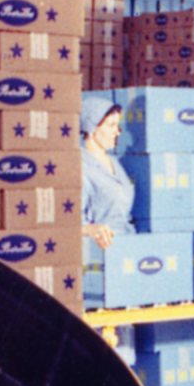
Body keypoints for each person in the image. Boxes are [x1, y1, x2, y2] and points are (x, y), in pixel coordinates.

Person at [82, 102, 135, 264]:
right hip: (101, 252)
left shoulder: (114, 161)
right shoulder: (80, 166)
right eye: (111, 125)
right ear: (92, 129)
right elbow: (70, 222)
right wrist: (92, 229)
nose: (117, 132)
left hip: (128, 245)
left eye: (117, 125)